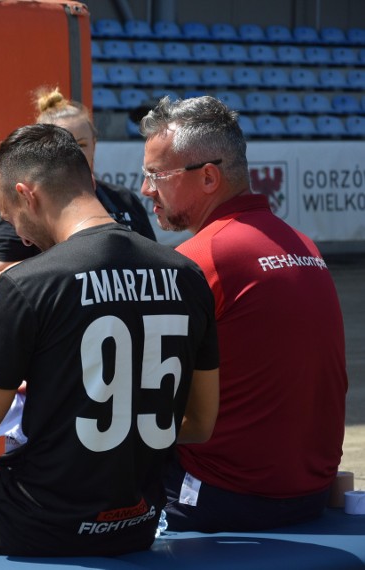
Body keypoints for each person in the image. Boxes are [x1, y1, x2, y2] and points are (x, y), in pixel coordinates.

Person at [0, 123, 220, 556]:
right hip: (137, 521)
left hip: (38, 522)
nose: (21, 236)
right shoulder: (187, 276)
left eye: (12, 216)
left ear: (28, 195)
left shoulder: (28, 283)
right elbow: (199, 424)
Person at [139, 95, 348, 532]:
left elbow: (147, 404)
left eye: (157, 175)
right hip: (308, 491)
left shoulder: (200, 259)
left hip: (224, 499)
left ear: (209, 177)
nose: (146, 189)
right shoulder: (302, 244)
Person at [0, 86, 157, 295]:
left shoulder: (123, 199)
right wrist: (69, 274)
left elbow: (152, 265)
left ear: (95, 144)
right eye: (63, 144)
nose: (73, 153)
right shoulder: (23, 203)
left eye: (81, 144)